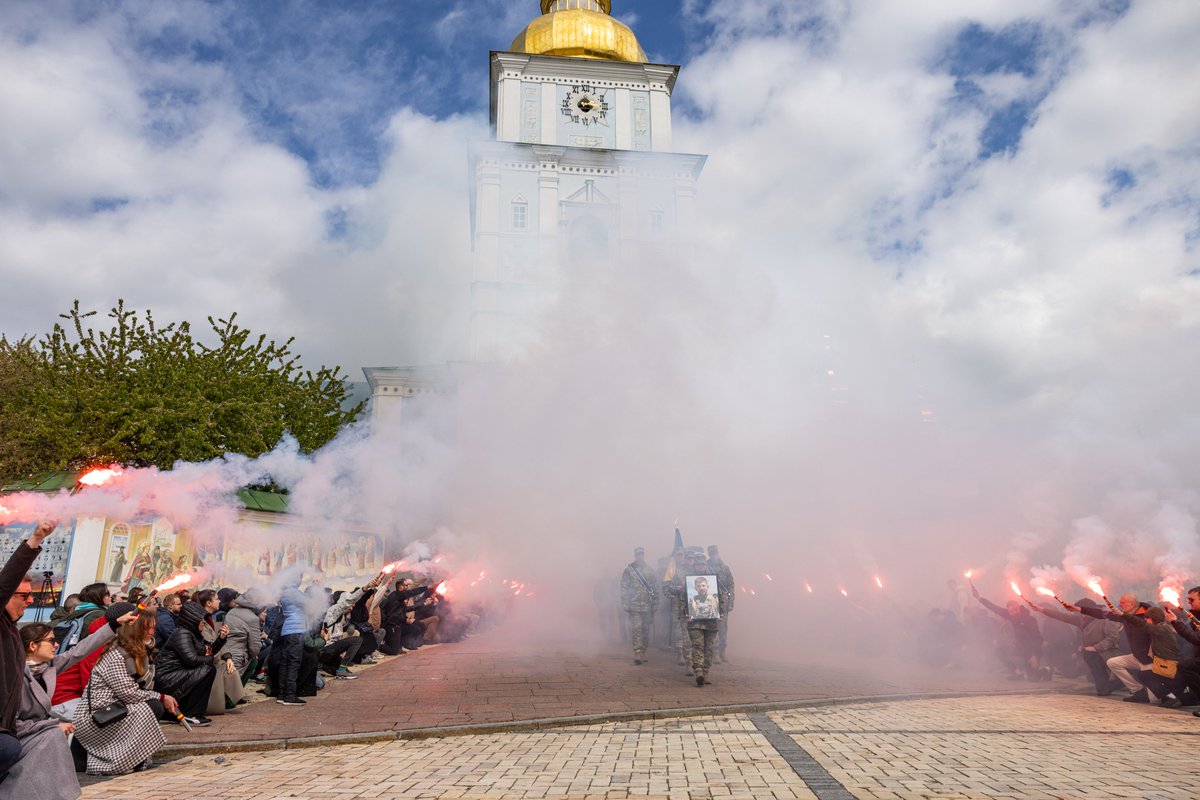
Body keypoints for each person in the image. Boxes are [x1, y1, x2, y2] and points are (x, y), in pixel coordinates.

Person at [8, 603, 136, 798]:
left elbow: (80, 650)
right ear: (33, 646)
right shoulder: (13, 674)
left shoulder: (48, 666)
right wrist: (52, 725)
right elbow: (13, 722)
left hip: (36, 730)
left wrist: (113, 624)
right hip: (17, 734)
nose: (57, 644)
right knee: (53, 737)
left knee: (54, 739)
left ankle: (62, 794)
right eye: (51, 641)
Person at [73, 612, 181, 775]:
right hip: (99, 712)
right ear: (134, 629)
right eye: (146, 628)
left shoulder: (140, 650)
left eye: (153, 627)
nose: (151, 632)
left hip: (116, 705)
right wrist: (162, 696)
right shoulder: (116, 654)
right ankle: (122, 757)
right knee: (151, 707)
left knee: (152, 706)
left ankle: (132, 756)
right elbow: (128, 693)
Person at [1, 521, 59, 781]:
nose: (30, 601)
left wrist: (114, 624)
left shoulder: (11, 629)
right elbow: (6, 580)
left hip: (8, 725)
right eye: (22, 596)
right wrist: (35, 540)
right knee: (8, 749)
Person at [1067, 594, 1157, 703]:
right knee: (1113, 663)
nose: (1119, 604)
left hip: (1150, 657)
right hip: (1137, 656)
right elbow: (1102, 614)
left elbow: (1138, 623)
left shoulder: (1147, 617)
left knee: (1156, 697)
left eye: (1122, 602)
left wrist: (1124, 616)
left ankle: (1170, 697)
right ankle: (1138, 690)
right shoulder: (1126, 615)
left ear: (1132, 604)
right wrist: (1080, 609)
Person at [154, 601, 218, 726]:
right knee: (208, 669)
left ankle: (191, 712)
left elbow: (207, 651)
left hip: (175, 674)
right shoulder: (182, 633)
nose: (204, 622)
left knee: (208, 669)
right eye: (202, 619)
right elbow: (192, 660)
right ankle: (191, 714)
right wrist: (209, 659)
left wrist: (221, 639)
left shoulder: (192, 633)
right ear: (192, 619)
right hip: (168, 677)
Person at [970, 586, 1049, 681]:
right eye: (1010, 611)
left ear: (1018, 609)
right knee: (1001, 652)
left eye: (1013, 611)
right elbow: (994, 608)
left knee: (1033, 679)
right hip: (1021, 648)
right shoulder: (1010, 615)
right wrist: (979, 598)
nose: (1011, 613)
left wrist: (1034, 655)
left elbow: (1036, 638)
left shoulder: (1030, 620)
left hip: (1032, 649)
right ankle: (1018, 672)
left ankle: (1046, 670)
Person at [682, 552, 725, 686]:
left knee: (709, 647)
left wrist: (720, 612)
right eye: (698, 564)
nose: (701, 567)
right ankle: (698, 671)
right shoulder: (689, 582)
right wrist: (686, 614)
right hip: (695, 622)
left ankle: (706, 671)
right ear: (695, 566)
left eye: (703, 564)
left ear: (706, 565)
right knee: (698, 646)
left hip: (711, 621)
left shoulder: (713, 581)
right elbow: (682, 600)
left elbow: (721, 598)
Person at [620, 547, 657, 665]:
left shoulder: (650, 570)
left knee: (645, 630)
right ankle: (637, 652)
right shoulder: (629, 570)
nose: (640, 556)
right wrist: (625, 602)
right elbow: (624, 587)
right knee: (636, 629)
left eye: (642, 554)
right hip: (634, 605)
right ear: (635, 555)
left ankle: (644, 650)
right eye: (638, 554)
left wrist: (656, 603)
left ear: (644, 555)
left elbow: (655, 588)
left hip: (647, 605)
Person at [224, 591, 266, 685]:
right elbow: (254, 648)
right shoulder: (252, 618)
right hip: (239, 656)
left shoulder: (231, 612)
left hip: (226, 652)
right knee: (232, 687)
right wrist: (253, 654)